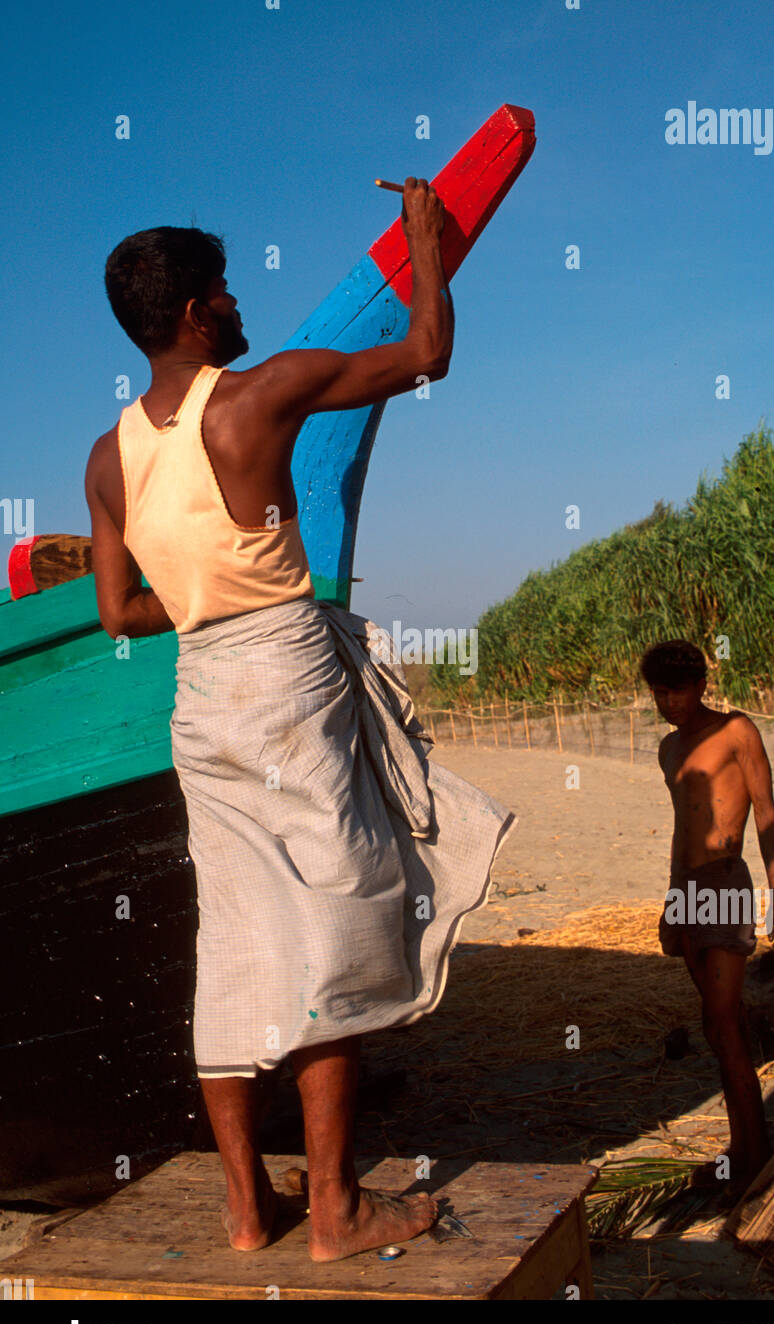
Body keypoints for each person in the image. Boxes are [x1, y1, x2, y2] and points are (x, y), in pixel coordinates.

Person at [85, 180, 514, 1260]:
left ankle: (244, 1212)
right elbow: (426, 353)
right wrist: (425, 242)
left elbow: (117, 613)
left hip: (202, 698)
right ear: (193, 314)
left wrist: (200, 596)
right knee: (338, 928)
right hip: (287, 684)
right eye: (223, 291)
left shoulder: (110, 457)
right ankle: (334, 1208)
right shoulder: (260, 395)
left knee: (230, 942)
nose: (237, 305)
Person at [641, 640, 774, 1197]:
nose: (668, 702)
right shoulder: (667, 749)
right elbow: (683, 830)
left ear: (701, 685)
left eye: (676, 690)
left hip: (727, 881)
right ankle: (741, 1150)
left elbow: (767, 813)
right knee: (712, 1024)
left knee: (727, 1025)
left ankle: (758, 1160)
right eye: (658, 692)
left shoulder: (736, 731)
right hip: (685, 891)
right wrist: (669, 903)